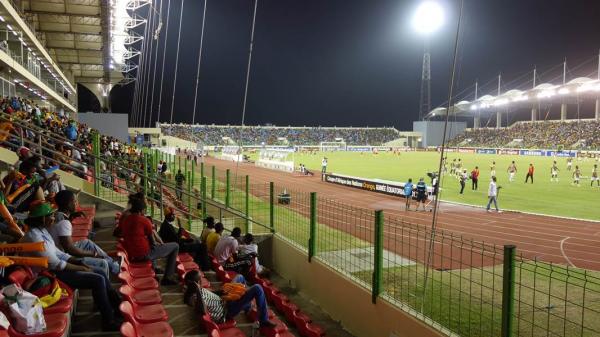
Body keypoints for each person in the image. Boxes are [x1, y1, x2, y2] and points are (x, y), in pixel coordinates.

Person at [22, 201, 122, 331]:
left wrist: (79, 261)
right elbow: (56, 264)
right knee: (98, 279)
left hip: (55, 270)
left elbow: (60, 254)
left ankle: (117, 307)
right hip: (48, 276)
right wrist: (82, 268)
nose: (54, 218)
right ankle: (108, 320)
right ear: (43, 219)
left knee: (101, 272)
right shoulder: (34, 238)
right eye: (51, 216)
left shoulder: (42, 232)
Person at [50, 190, 120, 276]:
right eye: (75, 201)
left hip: (61, 250)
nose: (77, 203)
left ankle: (114, 266)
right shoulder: (64, 222)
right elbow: (70, 250)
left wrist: (71, 217)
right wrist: (93, 254)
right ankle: (115, 268)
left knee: (86, 242)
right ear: (68, 204)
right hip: (62, 255)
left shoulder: (57, 215)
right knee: (102, 262)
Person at [119, 192, 179, 285]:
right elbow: (153, 242)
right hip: (143, 255)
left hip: (131, 254)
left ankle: (154, 271)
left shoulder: (125, 220)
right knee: (175, 246)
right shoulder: (144, 220)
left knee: (150, 245)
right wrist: (160, 245)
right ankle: (167, 277)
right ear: (142, 210)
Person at [184, 271, 276, 328]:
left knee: (239, 277)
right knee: (257, 288)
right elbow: (203, 311)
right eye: (199, 280)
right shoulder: (194, 298)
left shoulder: (197, 290)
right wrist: (198, 290)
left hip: (224, 300)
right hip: (227, 311)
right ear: (194, 284)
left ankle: (247, 305)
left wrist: (222, 291)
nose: (201, 281)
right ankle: (263, 320)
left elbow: (211, 294)